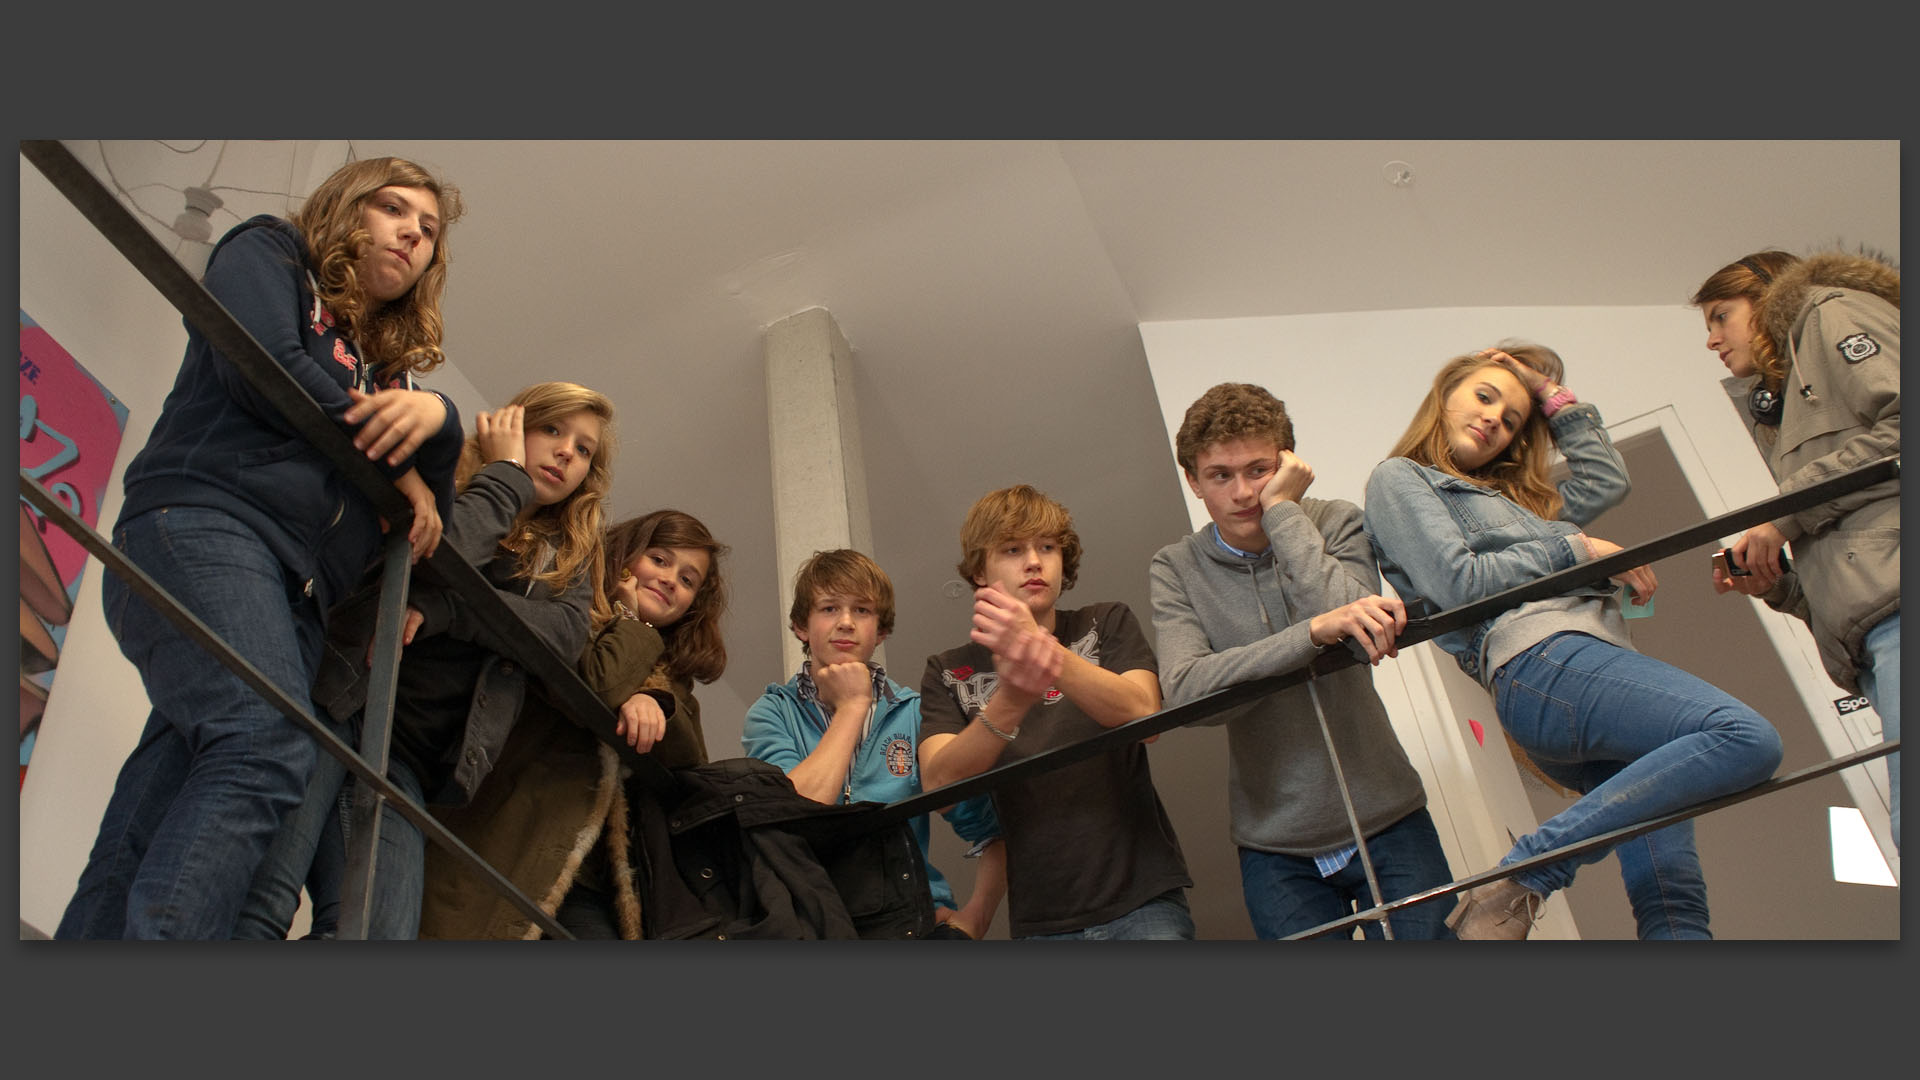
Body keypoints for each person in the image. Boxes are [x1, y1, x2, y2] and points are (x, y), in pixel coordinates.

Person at [57, 157, 465, 940]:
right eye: (393, 209)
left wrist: (441, 424)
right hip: (208, 523)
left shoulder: (390, 378)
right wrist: (392, 444)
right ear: (347, 210)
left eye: (429, 231)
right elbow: (261, 366)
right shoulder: (272, 251)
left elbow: (426, 529)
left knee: (165, 787)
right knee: (267, 742)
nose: (414, 233)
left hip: (298, 592)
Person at [1363, 348, 1784, 940]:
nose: (1493, 420)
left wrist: (1548, 394)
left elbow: (1606, 478)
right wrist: (1576, 551)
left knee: (1673, 891)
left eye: (1511, 419)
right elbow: (1459, 584)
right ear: (1446, 392)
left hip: (1579, 669)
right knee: (1748, 738)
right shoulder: (1400, 478)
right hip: (1544, 661)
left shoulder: (1520, 506)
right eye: (1484, 397)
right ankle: (1527, 872)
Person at [1149, 382, 1453, 940]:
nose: (1243, 492)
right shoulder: (1175, 567)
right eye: (1220, 475)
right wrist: (1310, 635)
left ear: (1289, 463)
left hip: (1390, 816)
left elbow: (1364, 637)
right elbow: (1188, 694)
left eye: (1259, 470)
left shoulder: (1336, 519)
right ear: (1193, 481)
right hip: (1274, 846)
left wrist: (1284, 513)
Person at [318, 380, 615, 939]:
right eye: (552, 429)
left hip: (408, 761)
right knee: (263, 899)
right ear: (510, 424)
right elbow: (433, 554)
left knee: (379, 935)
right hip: (337, 707)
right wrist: (504, 477)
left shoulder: (570, 551)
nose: (566, 453)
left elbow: (564, 634)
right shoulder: (451, 476)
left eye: (584, 449)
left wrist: (449, 610)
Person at [419, 508, 729, 939]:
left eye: (688, 579)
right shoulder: (570, 612)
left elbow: (689, 759)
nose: (670, 579)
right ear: (626, 557)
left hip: (595, 883)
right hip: (509, 848)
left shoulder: (673, 680)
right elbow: (602, 685)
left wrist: (654, 698)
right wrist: (629, 618)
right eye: (659, 559)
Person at [919, 485, 1194, 940]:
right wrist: (1011, 700)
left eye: (1047, 547)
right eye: (1012, 549)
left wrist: (1038, 648)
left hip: (1144, 898)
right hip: (1042, 919)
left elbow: (1144, 714)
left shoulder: (1104, 622)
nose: (1034, 561)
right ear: (979, 571)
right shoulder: (948, 671)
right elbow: (939, 785)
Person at [1693, 249, 1900, 847]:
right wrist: (1781, 586)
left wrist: (1782, 517)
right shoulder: (1778, 416)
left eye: (1720, 316)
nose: (1711, 339)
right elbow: (1850, 541)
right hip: (1872, 641)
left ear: (1766, 297)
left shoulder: (1830, 311)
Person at [744, 548, 1007, 939]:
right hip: (809, 924)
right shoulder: (771, 714)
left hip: (911, 924)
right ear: (802, 626)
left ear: (881, 630)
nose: (846, 622)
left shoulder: (916, 715)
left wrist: (976, 919)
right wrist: (853, 706)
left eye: (862, 610)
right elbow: (795, 818)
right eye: (829, 608)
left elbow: (992, 829)